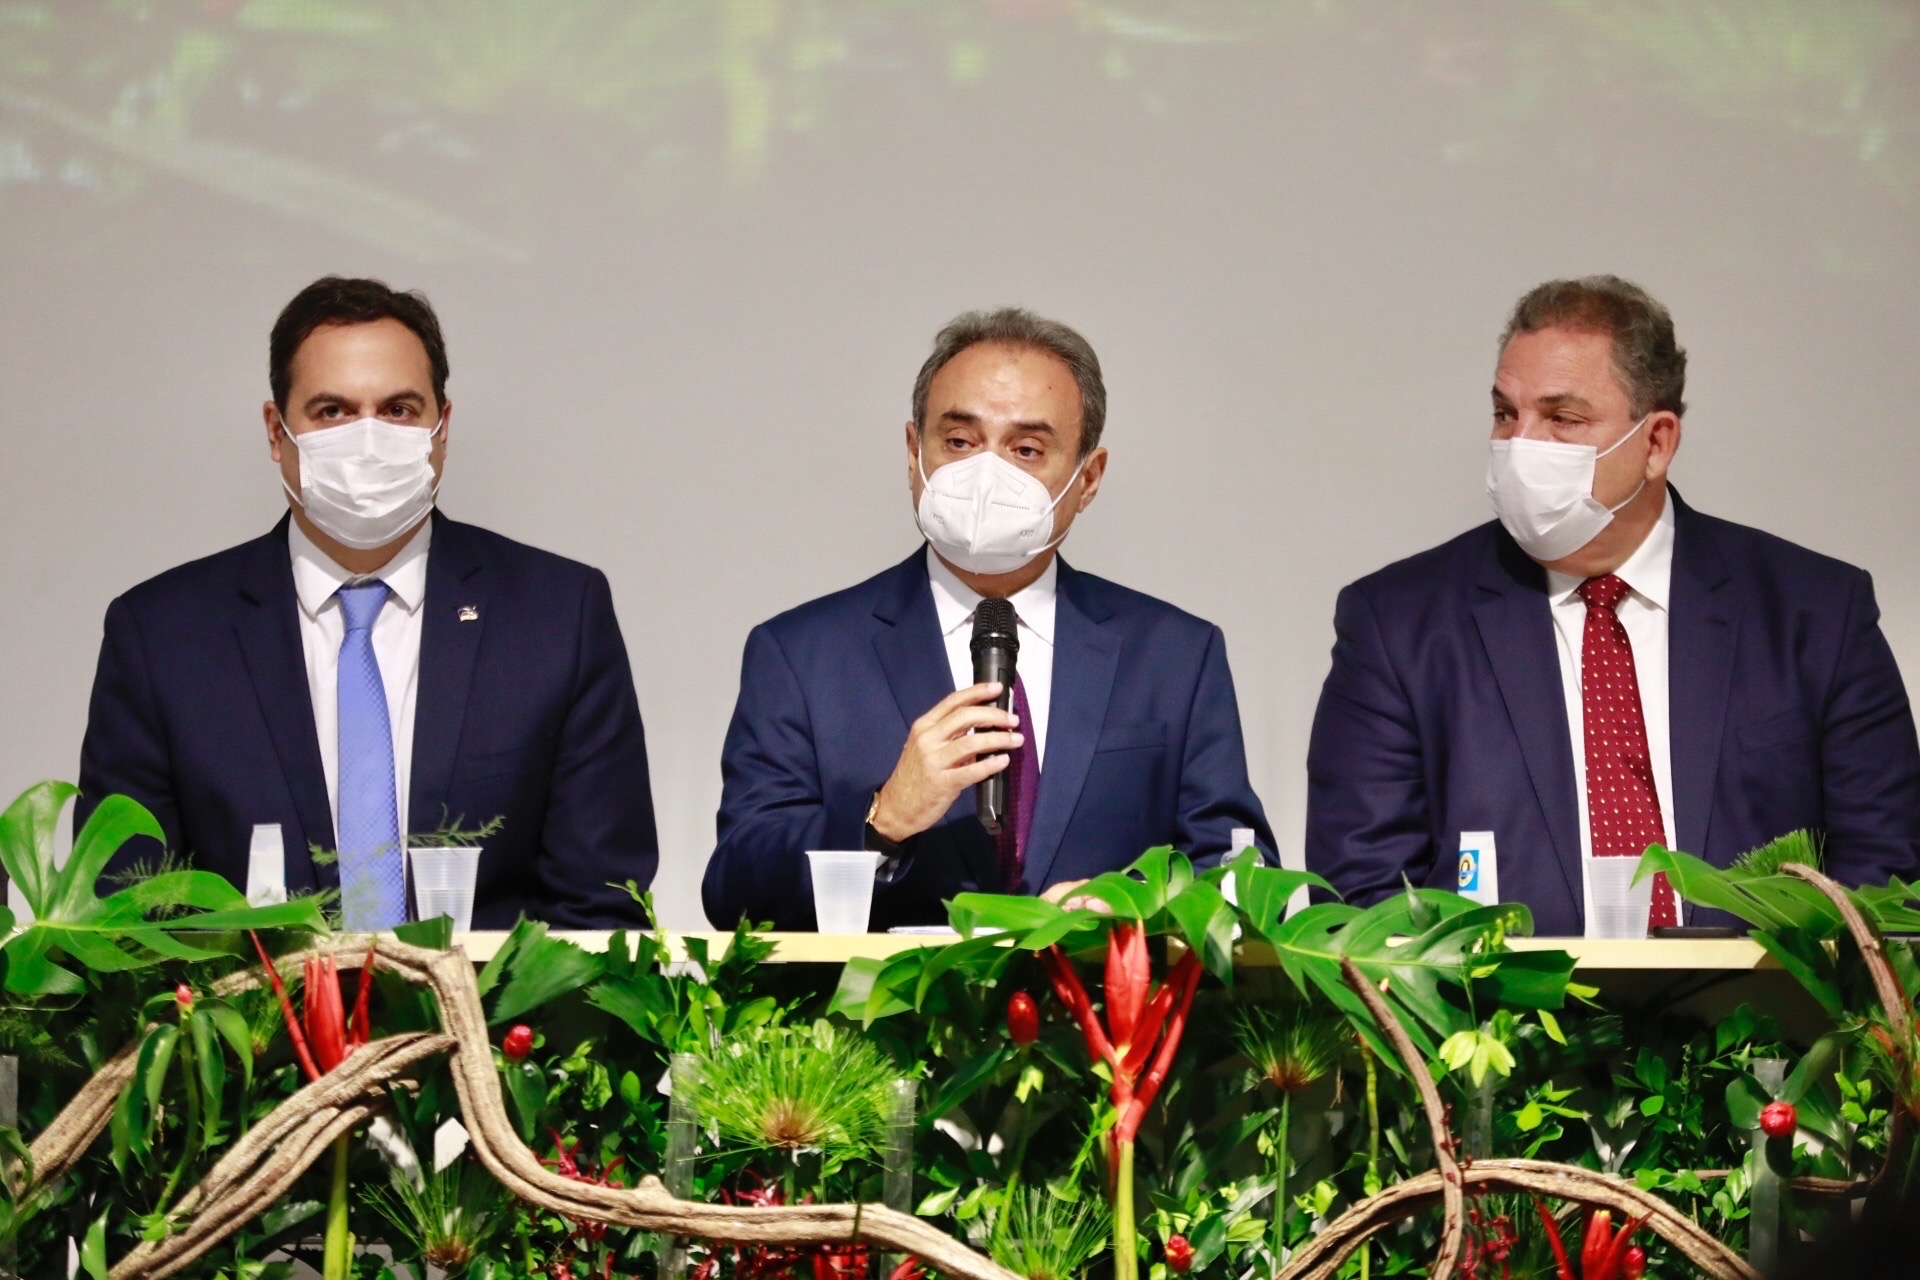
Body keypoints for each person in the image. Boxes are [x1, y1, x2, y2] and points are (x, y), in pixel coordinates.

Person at [1306, 275, 1920, 936]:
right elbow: (1360, 901)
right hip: (1494, 1003)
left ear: (1656, 443)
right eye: (1506, 414)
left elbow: (1886, 880)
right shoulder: (1397, 625)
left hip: (1768, 1003)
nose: (1521, 446)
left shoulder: (1815, 614)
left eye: (1562, 419)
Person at [78, 276, 657, 928]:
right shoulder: (161, 636)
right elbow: (128, 915)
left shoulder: (557, 617)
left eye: (399, 410)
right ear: (276, 431)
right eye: (332, 412)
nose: (368, 440)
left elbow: (600, 909)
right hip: (247, 997)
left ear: (442, 427)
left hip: (492, 999)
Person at [704, 308, 1274, 930]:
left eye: (1026, 449)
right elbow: (736, 890)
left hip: (1100, 994)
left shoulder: (1175, 656)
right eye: (959, 442)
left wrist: (1135, 906)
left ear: (1088, 479)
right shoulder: (801, 653)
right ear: (913, 452)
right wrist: (882, 820)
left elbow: (1240, 872)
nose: (987, 474)